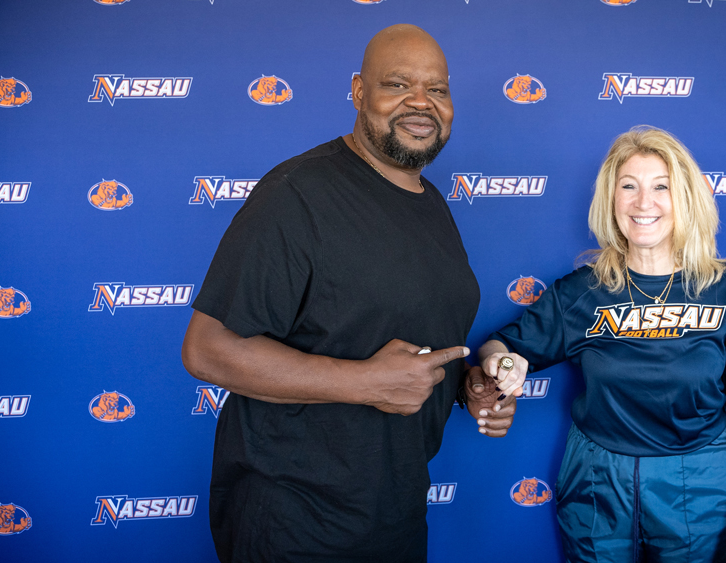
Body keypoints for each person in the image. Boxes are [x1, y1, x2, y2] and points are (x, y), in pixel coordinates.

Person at [181, 25, 522, 563]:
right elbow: (207, 348)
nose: (420, 103)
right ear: (360, 93)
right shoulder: (296, 195)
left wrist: (468, 389)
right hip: (295, 520)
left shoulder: (430, 201)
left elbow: (392, 337)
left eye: (437, 89)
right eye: (397, 84)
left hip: (396, 511)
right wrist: (364, 382)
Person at [479, 126, 726, 563]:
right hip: (597, 481)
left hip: (699, 482)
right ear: (611, 199)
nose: (643, 203)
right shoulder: (583, 291)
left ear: (685, 198)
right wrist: (503, 364)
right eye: (629, 187)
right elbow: (497, 347)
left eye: (661, 187)